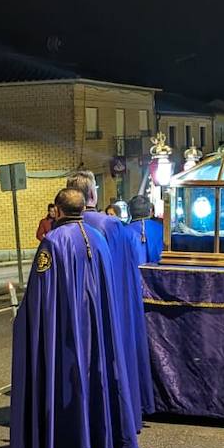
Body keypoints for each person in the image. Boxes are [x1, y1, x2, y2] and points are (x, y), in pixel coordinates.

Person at [10, 187, 138, 448]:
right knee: (100, 380)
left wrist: (22, 319)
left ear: (58, 210)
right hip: (97, 327)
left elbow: (41, 295)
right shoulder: (98, 238)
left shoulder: (53, 241)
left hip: (68, 329)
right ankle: (103, 445)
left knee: (71, 382)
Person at [67, 171, 145, 434]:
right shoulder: (110, 225)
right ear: (92, 194)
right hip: (109, 305)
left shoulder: (62, 229)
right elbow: (126, 270)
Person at [128, 193, 164, 263]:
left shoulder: (123, 232)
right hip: (158, 271)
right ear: (150, 210)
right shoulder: (161, 229)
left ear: (130, 211)